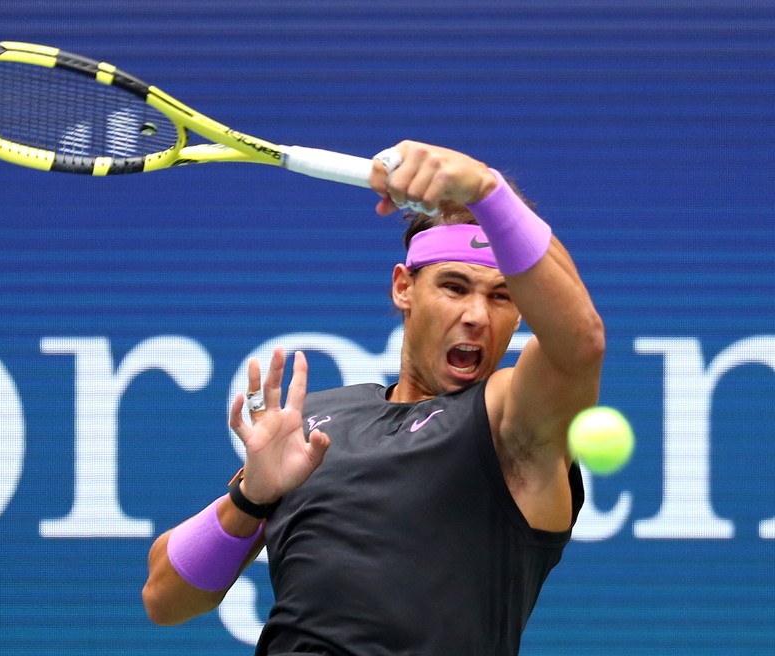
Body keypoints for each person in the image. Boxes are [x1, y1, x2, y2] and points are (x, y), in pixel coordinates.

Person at [142, 141, 605, 655]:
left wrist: (487, 191)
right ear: (403, 287)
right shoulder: (317, 421)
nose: (477, 315)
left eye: (501, 296)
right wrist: (252, 498)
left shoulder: (511, 425)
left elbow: (580, 345)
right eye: (455, 287)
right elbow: (165, 599)